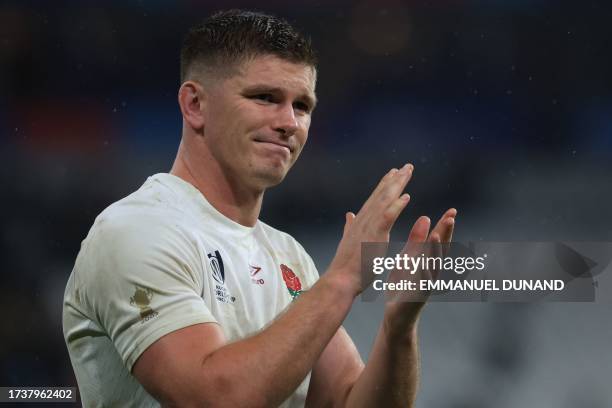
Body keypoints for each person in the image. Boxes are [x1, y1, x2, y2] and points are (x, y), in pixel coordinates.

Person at [62, 9, 456, 407]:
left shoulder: (287, 257)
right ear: (195, 104)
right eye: (265, 98)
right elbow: (214, 399)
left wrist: (399, 326)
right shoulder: (137, 231)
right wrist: (342, 278)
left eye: (302, 106)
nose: (289, 122)